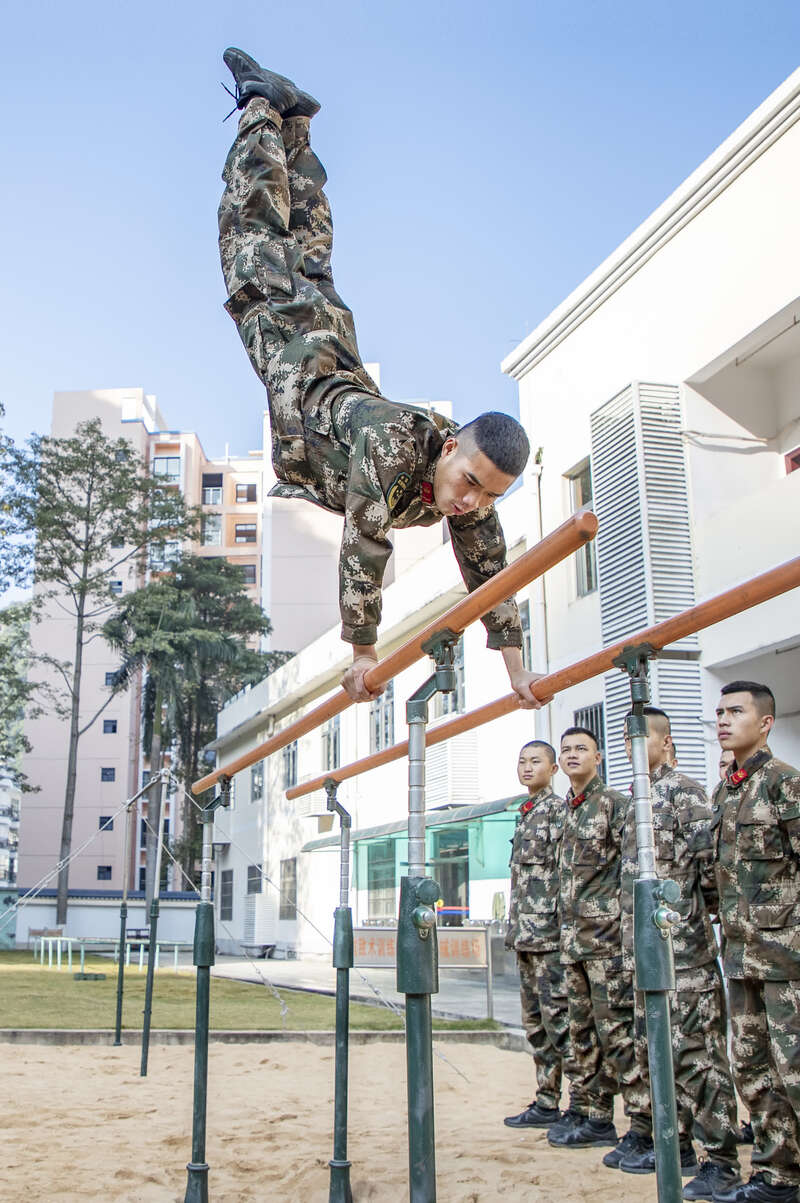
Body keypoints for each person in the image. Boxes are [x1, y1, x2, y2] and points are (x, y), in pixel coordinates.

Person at [218, 48, 541, 708]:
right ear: (451, 449)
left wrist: (517, 673)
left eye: (487, 498)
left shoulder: (469, 483)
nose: (469, 504)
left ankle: (296, 118)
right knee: (254, 232)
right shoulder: (397, 445)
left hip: (330, 345)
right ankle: (261, 107)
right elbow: (367, 538)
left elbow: (491, 573)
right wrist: (364, 652)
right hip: (297, 352)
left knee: (308, 252)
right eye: (471, 484)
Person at [616, 707, 742, 1200]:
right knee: (656, 1053)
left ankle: (723, 1160)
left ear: (664, 742)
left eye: (639, 738)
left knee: (699, 1057)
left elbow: (709, 876)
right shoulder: (636, 802)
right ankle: (682, 1145)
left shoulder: (684, 794)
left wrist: (690, 925)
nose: (631, 749)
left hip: (684, 956)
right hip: (642, 955)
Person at [709, 681, 800, 1203]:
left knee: (795, 1072)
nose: (723, 720)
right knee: (753, 1071)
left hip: (787, 962)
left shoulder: (785, 784)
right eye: (719, 711)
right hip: (741, 958)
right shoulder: (726, 791)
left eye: (735, 711)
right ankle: (777, 1176)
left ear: (765, 722)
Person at [547, 727, 651, 1157]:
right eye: (566, 750)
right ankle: (594, 1114)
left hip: (606, 945)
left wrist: (628, 944)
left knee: (619, 1035)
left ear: (599, 757)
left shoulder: (615, 807)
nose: (572, 756)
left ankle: (644, 1124)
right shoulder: (569, 810)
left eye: (581, 749)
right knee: (582, 1034)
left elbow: (629, 877)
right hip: (573, 943)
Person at [504, 740, 574, 1129]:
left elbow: (565, 877)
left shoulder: (557, 814)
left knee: (561, 1024)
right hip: (525, 939)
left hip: (550, 941)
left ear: (553, 769)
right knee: (536, 1027)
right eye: (522, 760)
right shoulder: (525, 813)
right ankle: (546, 1101)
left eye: (536, 761)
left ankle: (580, 1108)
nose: (528, 767)